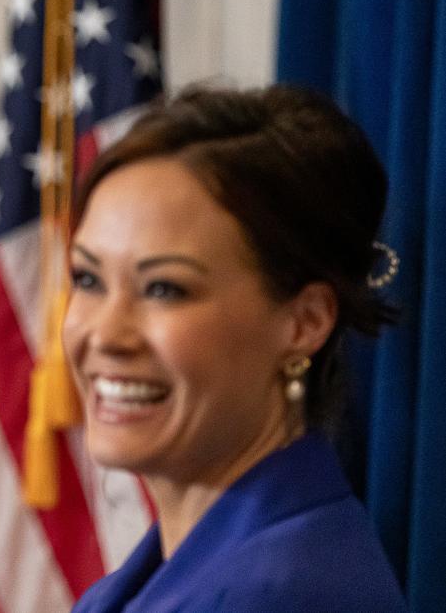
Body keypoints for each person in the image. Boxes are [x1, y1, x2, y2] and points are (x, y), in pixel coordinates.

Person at [64, 84, 406, 611]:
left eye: (163, 289)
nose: (105, 335)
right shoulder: (157, 581)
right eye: (88, 280)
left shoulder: (285, 593)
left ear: (305, 322)